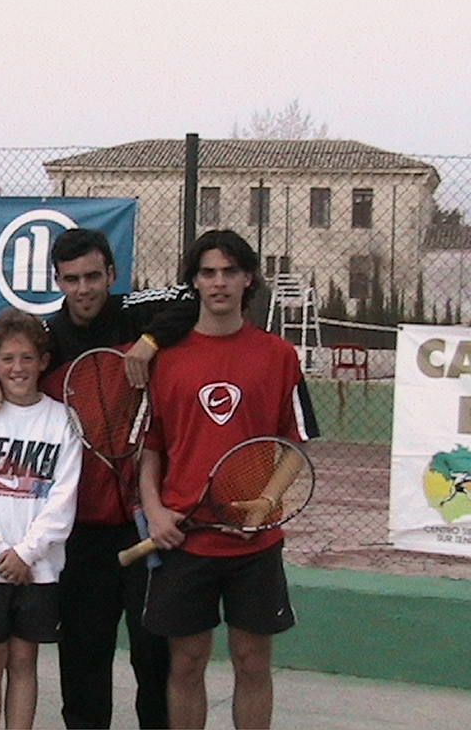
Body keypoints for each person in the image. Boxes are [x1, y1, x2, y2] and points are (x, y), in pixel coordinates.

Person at [0, 227, 197, 729]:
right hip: (79, 537)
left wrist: (148, 342)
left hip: (146, 529)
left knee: (153, 658)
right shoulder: (49, 338)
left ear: (111, 275)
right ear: (57, 280)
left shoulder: (139, 314)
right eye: (72, 279)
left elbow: (189, 297)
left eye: (93, 277)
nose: (84, 289)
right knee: (83, 666)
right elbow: (10, 359)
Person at [138, 229, 320, 729]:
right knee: (187, 663)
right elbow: (149, 448)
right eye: (207, 272)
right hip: (184, 542)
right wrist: (154, 512)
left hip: (254, 546)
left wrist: (265, 502)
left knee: (252, 662)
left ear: (248, 280)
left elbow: (294, 443)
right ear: (194, 281)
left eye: (230, 272)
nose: (218, 282)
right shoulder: (165, 359)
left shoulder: (279, 355)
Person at [0, 308, 83, 730]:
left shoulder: (62, 419)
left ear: (43, 361)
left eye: (27, 358)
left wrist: (26, 553)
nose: (17, 367)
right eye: (7, 359)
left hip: (36, 567)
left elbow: (63, 497)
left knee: (24, 659)